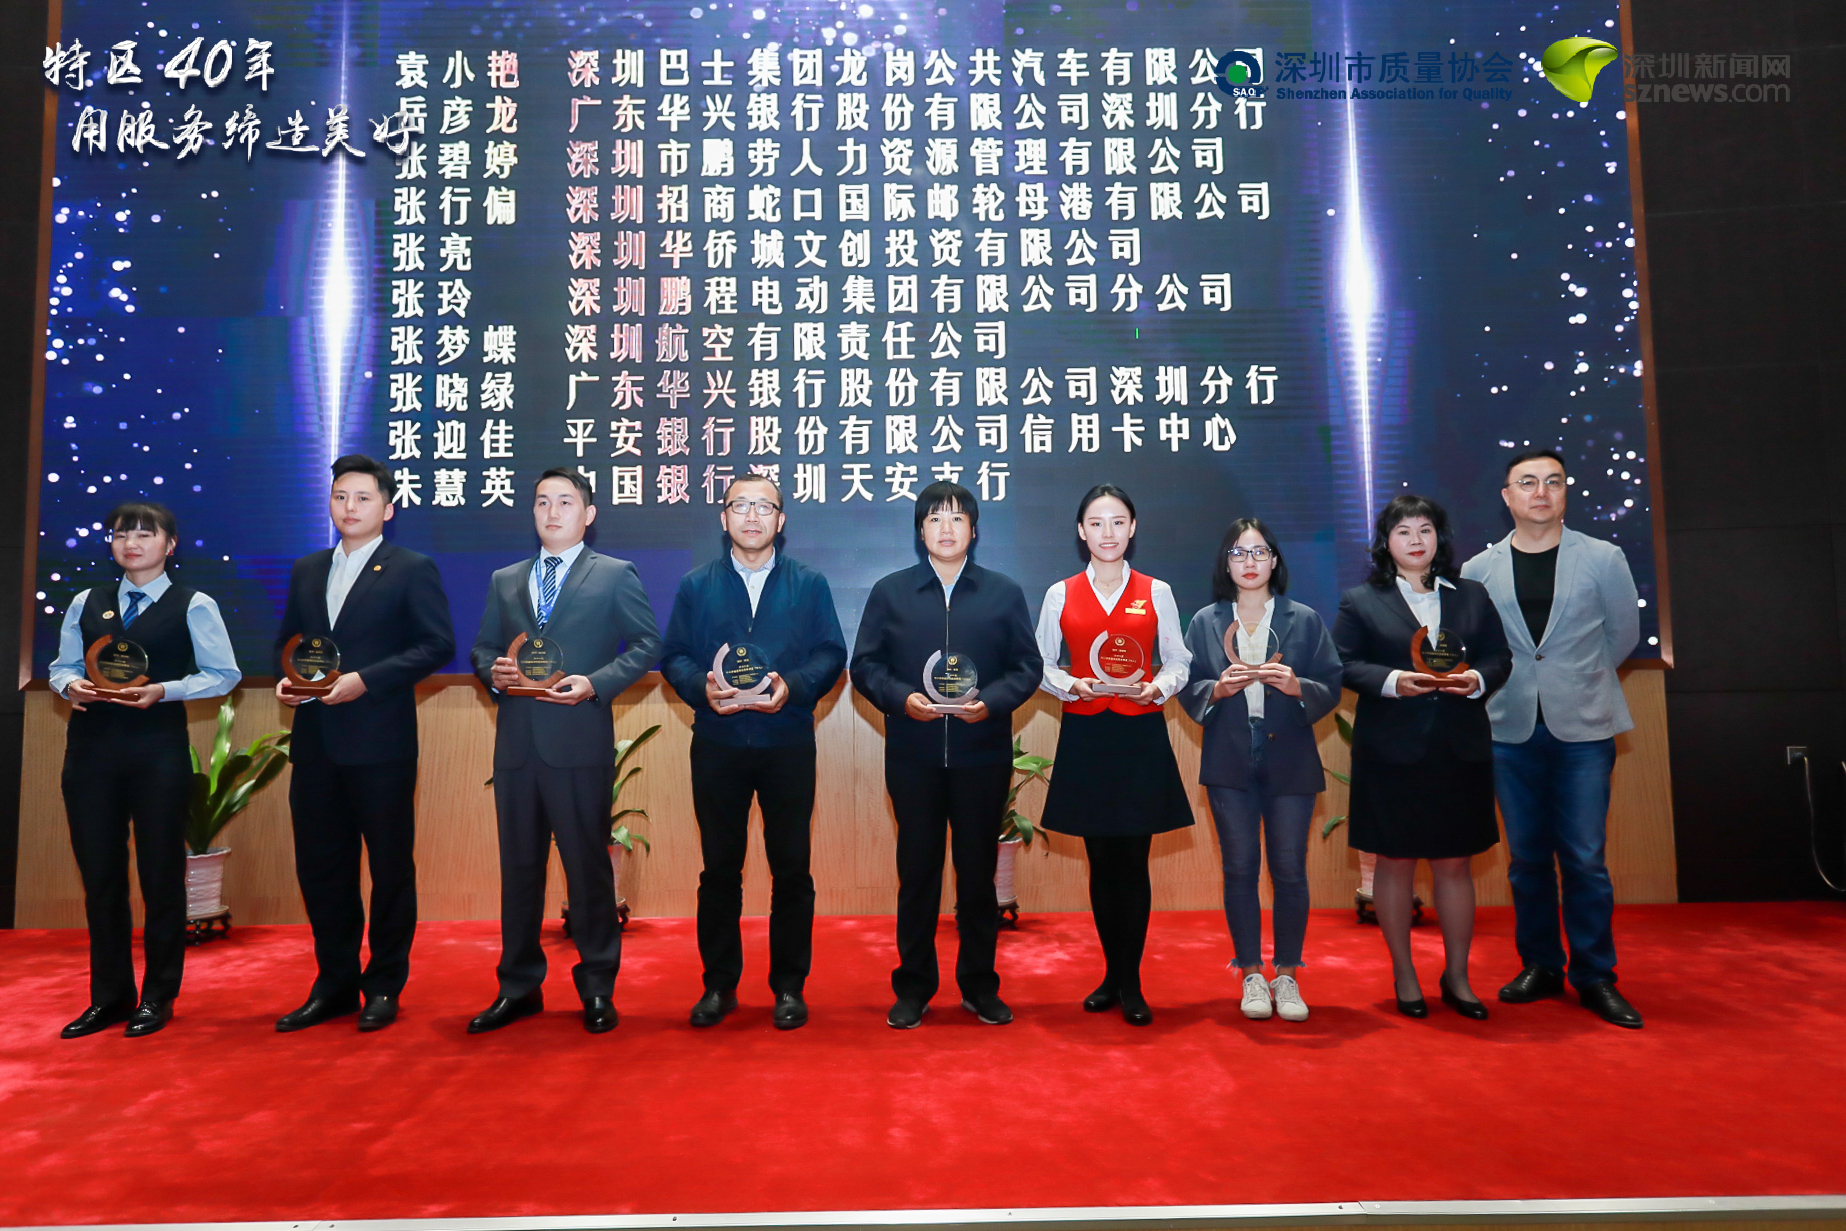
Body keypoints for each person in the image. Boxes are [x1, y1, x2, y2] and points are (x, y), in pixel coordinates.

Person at [468, 468, 662, 1035]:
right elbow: (483, 648)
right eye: (542, 502)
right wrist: (494, 673)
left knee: (587, 871)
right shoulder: (506, 579)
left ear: (589, 514)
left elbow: (647, 643)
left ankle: (597, 986)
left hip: (578, 743)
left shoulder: (615, 574)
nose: (552, 512)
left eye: (565, 502)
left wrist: (595, 683)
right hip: (517, 747)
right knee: (519, 871)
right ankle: (518, 988)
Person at [271, 456, 455, 1034]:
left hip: (381, 744)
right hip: (315, 743)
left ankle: (383, 986)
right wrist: (285, 681)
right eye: (340, 497)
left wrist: (365, 680)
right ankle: (333, 984)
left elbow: (437, 645)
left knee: (390, 868)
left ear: (387, 509)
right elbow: (288, 643)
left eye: (363, 498)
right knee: (322, 867)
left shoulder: (411, 568)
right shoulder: (307, 569)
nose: (349, 507)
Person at [849, 482, 1043, 1029]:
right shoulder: (890, 592)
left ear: (974, 530)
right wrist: (901, 699)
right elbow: (865, 666)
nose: (946, 528)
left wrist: (993, 703)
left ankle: (980, 986)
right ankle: (914, 987)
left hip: (982, 755)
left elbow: (1026, 667)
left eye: (957, 518)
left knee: (978, 876)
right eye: (935, 518)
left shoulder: (1003, 592)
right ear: (920, 531)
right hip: (913, 756)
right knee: (918, 874)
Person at [1462, 448, 1644, 1029]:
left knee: (1585, 858)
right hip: (1508, 728)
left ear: (1566, 492)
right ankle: (1541, 964)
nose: (1541, 492)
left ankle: (1595, 976)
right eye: (1527, 482)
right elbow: (1478, 647)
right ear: (1507, 496)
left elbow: (1622, 635)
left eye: (1553, 482)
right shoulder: (1478, 569)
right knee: (1527, 859)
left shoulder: (1603, 557)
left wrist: (1576, 681)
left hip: (1583, 727)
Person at [659, 475, 847, 1031]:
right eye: (739, 505)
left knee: (792, 869)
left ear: (780, 521)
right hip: (717, 746)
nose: (751, 516)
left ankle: (789, 986)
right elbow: (674, 656)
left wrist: (794, 685)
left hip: (787, 743)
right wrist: (701, 689)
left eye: (764, 507)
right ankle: (719, 986)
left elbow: (831, 652)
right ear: (724, 518)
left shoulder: (809, 584)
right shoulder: (696, 585)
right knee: (720, 869)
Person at [48, 502, 241, 1038]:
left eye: (144, 534)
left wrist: (165, 690)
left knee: (161, 877)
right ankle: (109, 997)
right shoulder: (87, 601)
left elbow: (223, 673)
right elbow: (62, 666)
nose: (131, 543)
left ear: (169, 545)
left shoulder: (193, 604)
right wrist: (70, 685)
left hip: (157, 753)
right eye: (120, 535)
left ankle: (157, 997)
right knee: (101, 879)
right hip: (90, 754)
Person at [1333, 494, 1511, 1020]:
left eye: (1425, 530)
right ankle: (1405, 975)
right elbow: (1342, 663)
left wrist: (1476, 678)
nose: (1416, 540)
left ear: (1440, 538)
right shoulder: (1361, 600)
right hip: (1392, 751)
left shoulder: (1472, 595)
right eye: (1404, 531)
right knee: (1395, 862)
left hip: (1460, 748)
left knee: (1455, 864)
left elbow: (1499, 657)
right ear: (1385, 542)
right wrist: (1393, 680)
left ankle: (1457, 977)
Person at [1033, 485, 1192, 1025]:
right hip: (1086, 732)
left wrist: (1158, 688)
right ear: (1081, 531)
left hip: (1139, 731)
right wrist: (1070, 685)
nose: (1108, 532)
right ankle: (1111, 974)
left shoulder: (1157, 590)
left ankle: (1131, 981)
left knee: (1134, 860)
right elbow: (1040, 663)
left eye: (1118, 522)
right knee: (1101, 861)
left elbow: (1178, 660)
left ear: (1133, 528)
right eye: (1097, 523)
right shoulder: (1060, 593)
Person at [1180, 518, 1343, 1023]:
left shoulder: (1304, 619)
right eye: (1238, 553)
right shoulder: (1205, 621)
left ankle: (1287, 973)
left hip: (1290, 757)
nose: (1249, 563)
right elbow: (1187, 683)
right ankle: (1251, 971)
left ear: (1274, 560)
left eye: (1258, 552)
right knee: (1239, 867)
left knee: (1290, 868)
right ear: (1225, 563)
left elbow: (1331, 683)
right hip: (1229, 757)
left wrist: (1298, 688)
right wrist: (1216, 690)